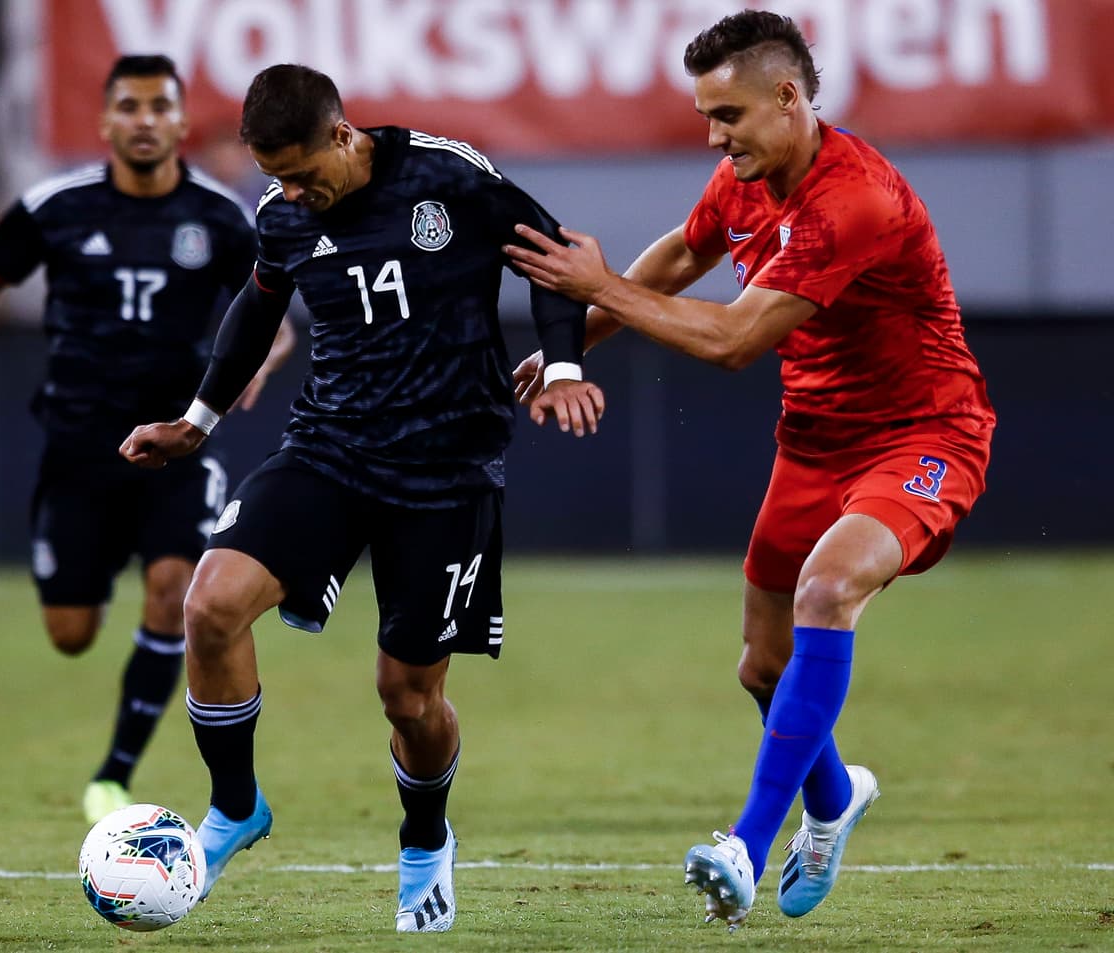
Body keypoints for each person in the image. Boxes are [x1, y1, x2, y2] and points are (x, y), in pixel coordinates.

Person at [506, 10, 995, 931]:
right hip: (813, 440)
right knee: (763, 667)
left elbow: (733, 339)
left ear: (789, 98)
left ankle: (745, 843)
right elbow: (686, 254)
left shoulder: (854, 199)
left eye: (727, 114)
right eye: (706, 114)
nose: (713, 134)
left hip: (923, 435)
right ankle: (835, 796)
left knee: (827, 587)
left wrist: (596, 287)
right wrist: (576, 346)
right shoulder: (747, 174)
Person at [119, 64, 605, 932]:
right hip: (330, 449)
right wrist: (196, 420)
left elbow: (553, 255)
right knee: (211, 604)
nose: (293, 194)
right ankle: (236, 806)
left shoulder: (447, 177)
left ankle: (424, 840)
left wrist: (564, 363)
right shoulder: (282, 216)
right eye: (277, 179)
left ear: (343, 135)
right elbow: (256, 310)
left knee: (408, 697)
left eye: (304, 174)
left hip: (446, 471)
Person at [0, 54, 295, 825]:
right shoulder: (55, 206)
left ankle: (115, 771)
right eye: (128, 107)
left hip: (176, 442)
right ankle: (110, 710)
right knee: (70, 632)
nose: (143, 120)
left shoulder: (221, 216)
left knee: (175, 592)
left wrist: (259, 361)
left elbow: (276, 310)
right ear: (105, 122)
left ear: (179, 122)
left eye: (159, 106)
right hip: (78, 445)